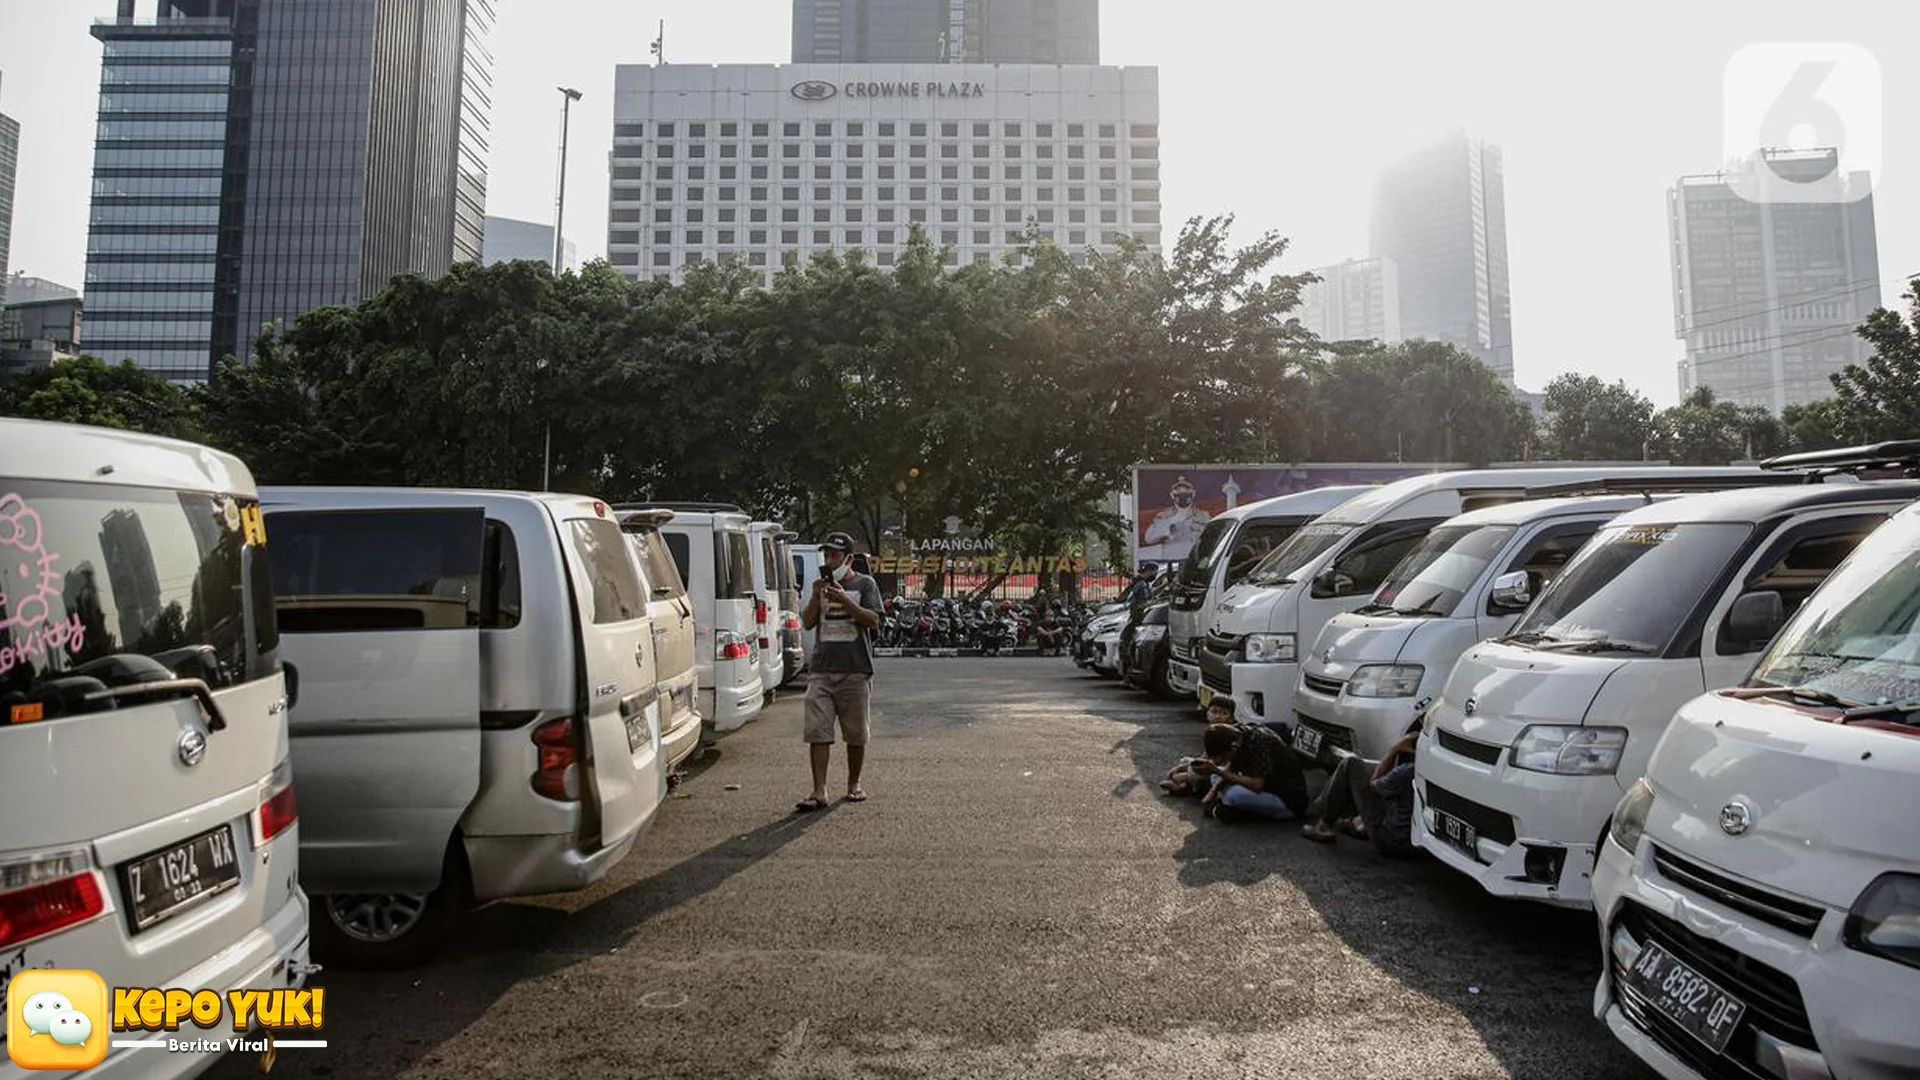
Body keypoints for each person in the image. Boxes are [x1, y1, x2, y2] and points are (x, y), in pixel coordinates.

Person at [796, 532, 885, 812]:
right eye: (826, 555)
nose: (829, 560)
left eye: (834, 555)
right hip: (822, 670)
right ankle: (819, 790)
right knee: (817, 731)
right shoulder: (820, 587)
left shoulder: (865, 583)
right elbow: (808, 622)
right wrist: (815, 596)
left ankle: (853, 784)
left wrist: (845, 600)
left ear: (848, 559)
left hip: (855, 670)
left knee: (855, 733)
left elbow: (874, 620)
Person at [1298, 719, 1422, 855]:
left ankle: (1324, 824)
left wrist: (1394, 749)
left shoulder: (1407, 771)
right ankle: (1357, 822)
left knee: (1351, 765)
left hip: (1391, 841)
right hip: (1420, 845)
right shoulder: (1428, 771)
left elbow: (1374, 784)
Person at [1196, 720, 1311, 822]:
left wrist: (1218, 771)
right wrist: (1213, 791)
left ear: (1232, 748)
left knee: (1233, 795)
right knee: (1216, 778)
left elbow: (1257, 785)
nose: (1226, 760)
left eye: (1224, 757)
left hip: (1286, 801)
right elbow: (1233, 767)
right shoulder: (1239, 735)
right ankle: (1225, 805)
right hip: (1265, 789)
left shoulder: (1259, 742)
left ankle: (1231, 809)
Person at [1160, 695, 1239, 796]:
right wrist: (1183, 767)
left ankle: (1184, 787)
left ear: (1231, 718)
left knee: (1180, 777)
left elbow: (1216, 763)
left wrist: (1188, 773)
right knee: (1184, 761)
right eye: (1214, 712)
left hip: (1222, 770)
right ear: (1207, 714)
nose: (1218, 716)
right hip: (1210, 765)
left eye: (1224, 713)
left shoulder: (1228, 734)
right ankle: (1186, 785)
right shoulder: (1211, 731)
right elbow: (1205, 757)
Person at [1141, 476, 1213, 561]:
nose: (1182, 496)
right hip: (1172, 561)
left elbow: (1212, 538)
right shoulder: (1164, 515)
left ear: (1193, 494)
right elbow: (1149, 538)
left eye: (1186, 493)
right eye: (1178, 493)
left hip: (1194, 561)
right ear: (1172, 495)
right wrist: (1170, 521)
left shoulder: (1204, 516)